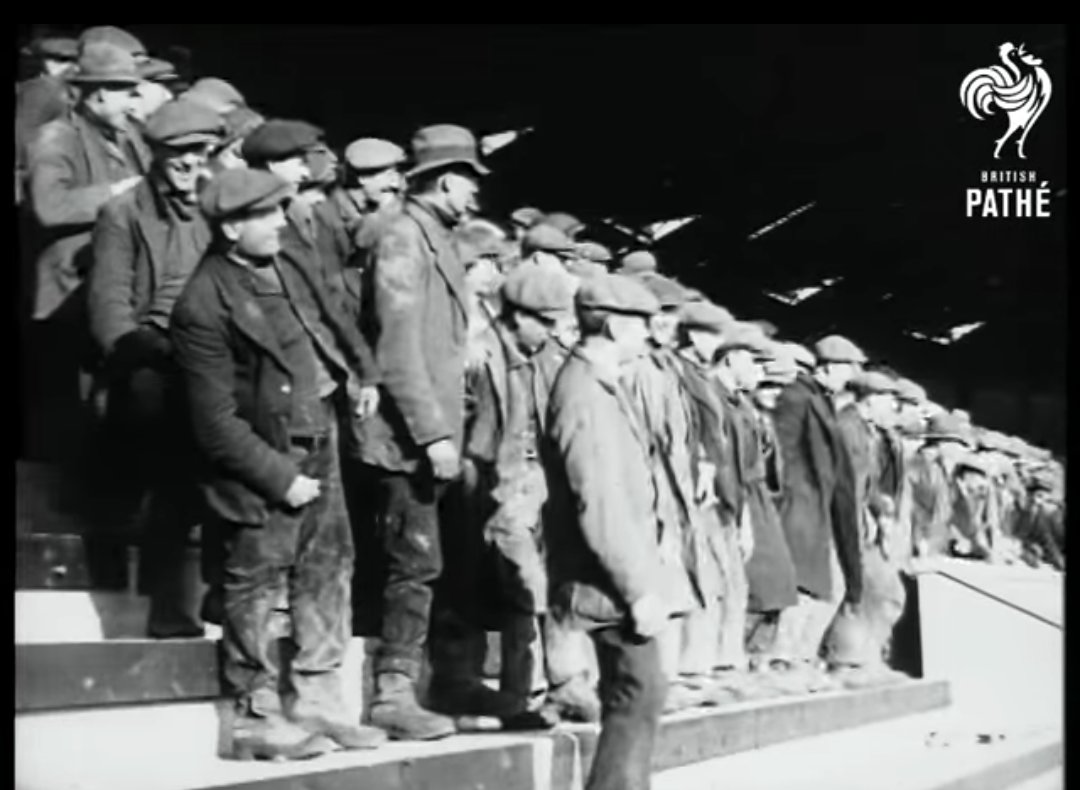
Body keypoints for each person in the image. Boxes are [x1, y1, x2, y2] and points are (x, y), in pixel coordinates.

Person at [171, 168, 385, 760]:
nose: (278, 222)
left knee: (328, 567)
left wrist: (363, 372)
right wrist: (281, 478)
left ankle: (318, 700)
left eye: (278, 210)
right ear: (230, 228)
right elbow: (214, 424)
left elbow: (332, 315)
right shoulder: (202, 303)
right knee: (255, 583)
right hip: (265, 458)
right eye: (264, 215)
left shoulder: (285, 259)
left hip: (319, 434)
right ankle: (254, 716)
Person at [353, 124, 490, 741]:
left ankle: (422, 684)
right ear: (444, 180)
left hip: (430, 435)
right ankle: (393, 693)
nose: (475, 195)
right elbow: (398, 347)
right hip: (406, 440)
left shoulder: (435, 238)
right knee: (414, 564)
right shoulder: (404, 237)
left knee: (430, 564)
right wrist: (433, 434)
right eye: (468, 182)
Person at [88, 98, 225, 638]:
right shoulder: (123, 213)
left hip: (212, 351)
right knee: (170, 444)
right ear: (157, 155)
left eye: (201, 152)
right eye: (179, 153)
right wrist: (144, 350)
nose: (192, 163)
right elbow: (110, 305)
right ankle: (165, 601)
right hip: (151, 352)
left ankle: (227, 589)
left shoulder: (218, 206)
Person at [543, 273, 672, 790]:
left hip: (609, 571)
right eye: (642, 324)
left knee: (639, 690)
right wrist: (637, 589)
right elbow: (598, 500)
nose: (649, 335)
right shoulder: (585, 393)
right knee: (638, 689)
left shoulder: (598, 384)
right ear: (616, 326)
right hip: (604, 578)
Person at [23, 41, 151, 461]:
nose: (133, 101)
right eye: (126, 91)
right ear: (97, 94)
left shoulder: (128, 136)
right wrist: (117, 192)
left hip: (112, 285)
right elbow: (50, 206)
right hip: (68, 295)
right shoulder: (56, 137)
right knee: (70, 411)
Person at [768, 334, 863, 681]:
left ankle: (799, 659)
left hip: (815, 507)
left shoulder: (816, 400)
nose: (848, 378)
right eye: (846, 370)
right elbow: (783, 453)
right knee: (804, 588)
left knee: (822, 588)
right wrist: (791, 498)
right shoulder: (798, 399)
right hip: (801, 507)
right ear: (828, 368)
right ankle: (783, 660)